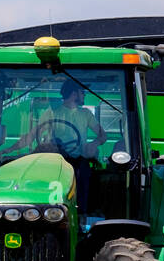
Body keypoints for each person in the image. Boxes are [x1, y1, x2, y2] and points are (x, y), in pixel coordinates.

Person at [22, 79, 107, 217]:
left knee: (87, 174)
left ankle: (83, 214)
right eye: (82, 92)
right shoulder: (51, 113)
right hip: (56, 161)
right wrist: (8, 150)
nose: (84, 95)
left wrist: (94, 143)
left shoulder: (85, 114)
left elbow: (103, 136)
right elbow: (31, 136)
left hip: (78, 162)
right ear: (74, 94)